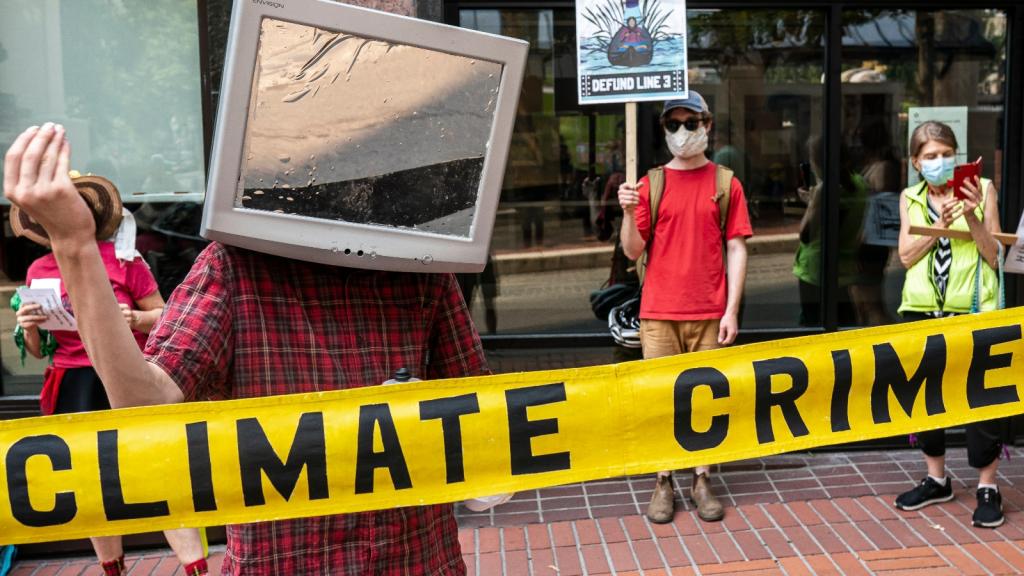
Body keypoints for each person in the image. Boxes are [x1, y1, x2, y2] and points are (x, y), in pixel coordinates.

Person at [6, 123, 489, 574]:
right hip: (283, 560)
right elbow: (143, 403)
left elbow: (487, 434)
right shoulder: (232, 267)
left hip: (416, 557)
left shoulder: (421, 268)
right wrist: (74, 245)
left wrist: (428, 420)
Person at [9, 171, 207, 576]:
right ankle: (112, 569)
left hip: (124, 378)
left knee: (160, 474)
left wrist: (134, 317)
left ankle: (197, 569)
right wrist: (29, 325)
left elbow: (166, 317)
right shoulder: (38, 270)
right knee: (87, 483)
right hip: (71, 384)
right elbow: (36, 351)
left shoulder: (124, 260)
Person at [617, 92, 752, 523]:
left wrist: (731, 310)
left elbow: (737, 247)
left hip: (708, 313)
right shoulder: (650, 184)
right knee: (661, 401)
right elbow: (631, 250)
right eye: (672, 125)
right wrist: (626, 211)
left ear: (707, 125)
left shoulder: (725, 183)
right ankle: (663, 480)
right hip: (658, 313)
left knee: (705, 402)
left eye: (690, 123)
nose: (681, 133)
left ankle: (702, 478)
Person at [893, 120, 1006, 528]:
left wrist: (973, 213)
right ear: (915, 163)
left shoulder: (985, 189)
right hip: (923, 312)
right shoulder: (910, 197)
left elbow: (994, 256)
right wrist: (941, 223)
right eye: (930, 157)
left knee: (981, 400)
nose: (939, 162)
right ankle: (937, 478)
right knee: (926, 401)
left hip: (973, 313)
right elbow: (906, 257)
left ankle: (987, 487)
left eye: (946, 154)